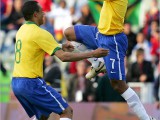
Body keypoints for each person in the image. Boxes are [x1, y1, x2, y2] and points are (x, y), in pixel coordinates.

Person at [11, 1, 109, 120]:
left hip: (16, 83)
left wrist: (61, 45)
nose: (44, 13)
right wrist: (93, 53)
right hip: (31, 83)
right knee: (66, 111)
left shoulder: (22, 29)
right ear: (35, 14)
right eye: (42, 11)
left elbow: (34, 44)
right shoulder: (40, 33)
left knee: (42, 116)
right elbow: (63, 57)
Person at [64, 0, 156, 120]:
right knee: (69, 33)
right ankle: (97, 63)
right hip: (99, 33)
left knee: (118, 85)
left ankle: (146, 118)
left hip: (113, 40)